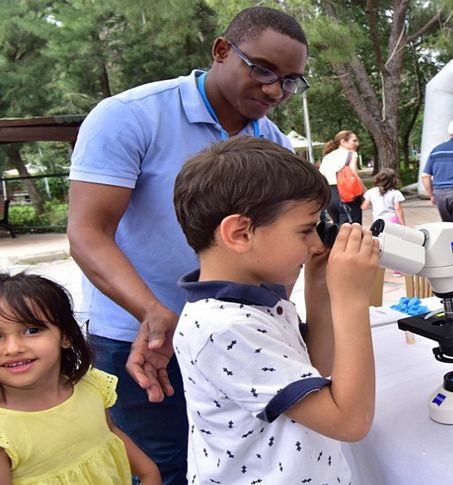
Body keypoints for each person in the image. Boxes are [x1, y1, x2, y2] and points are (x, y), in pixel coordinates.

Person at [66, 7, 309, 483]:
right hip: (141, 335)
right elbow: (87, 233)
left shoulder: (272, 140)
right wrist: (153, 312)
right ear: (221, 51)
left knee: (238, 460)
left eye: (291, 80)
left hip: (237, 335)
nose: (275, 90)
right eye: (263, 70)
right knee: (163, 466)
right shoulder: (130, 117)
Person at [171, 136, 379, 483]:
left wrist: (319, 288)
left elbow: (313, 369)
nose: (315, 243)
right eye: (305, 230)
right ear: (240, 233)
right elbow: (350, 421)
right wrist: (352, 299)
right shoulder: (224, 328)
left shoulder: (252, 299)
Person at [0, 272, 161, 484]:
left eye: (32, 330)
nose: (14, 348)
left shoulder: (90, 386)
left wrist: (150, 473)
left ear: (65, 336)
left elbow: (110, 432)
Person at [319, 130, 364, 224]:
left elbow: (321, 176)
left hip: (330, 197)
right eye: (354, 140)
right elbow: (354, 175)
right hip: (346, 195)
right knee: (353, 230)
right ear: (343, 142)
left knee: (338, 229)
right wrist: (365, 193)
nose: (357, 144)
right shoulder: (351, 154)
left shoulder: (327, 157)